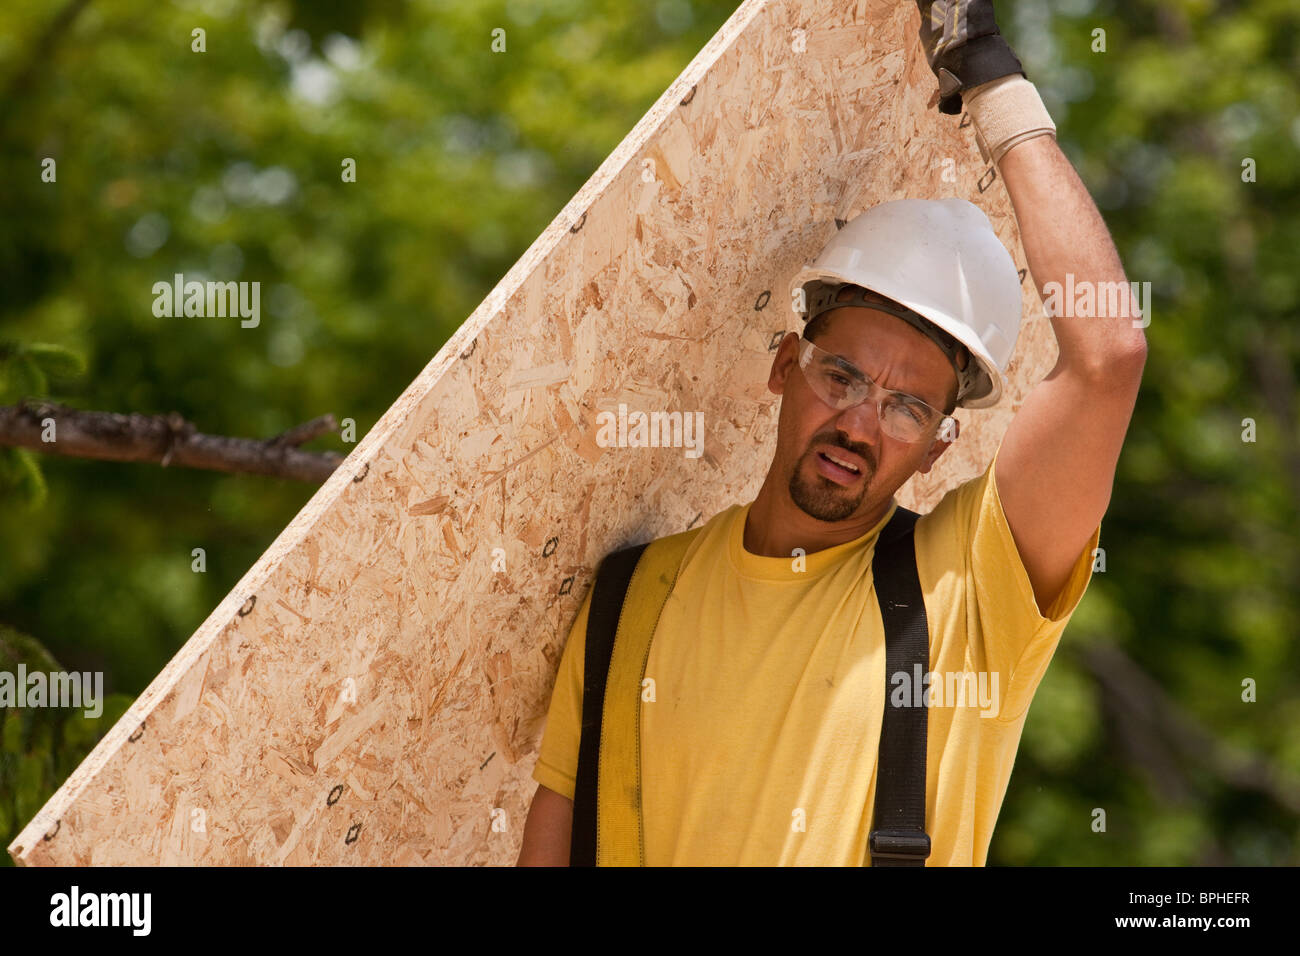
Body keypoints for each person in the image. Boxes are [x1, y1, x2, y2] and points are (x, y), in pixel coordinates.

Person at [517, 0, 1147, 865]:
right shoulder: (631, 599)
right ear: (785, 365)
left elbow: (1109, 355)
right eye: (841, 377)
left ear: (939, 447)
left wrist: (991, 78)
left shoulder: (965, 594)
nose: (859, 423)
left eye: (905, 407)